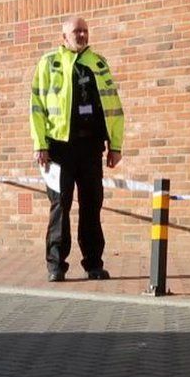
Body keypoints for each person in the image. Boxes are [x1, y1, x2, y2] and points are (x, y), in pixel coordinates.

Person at [29, 16, 125, 282]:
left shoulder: (99, 63)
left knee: (92, 205)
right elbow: (36, 107)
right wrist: (40, 144)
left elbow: (114, 107)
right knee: (60, 205)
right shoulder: (49, 63)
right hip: (58, 149)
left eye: (84, 31)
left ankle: (94, 263)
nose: (81, 35)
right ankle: (56, 265)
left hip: (91, 147)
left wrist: (115, 145)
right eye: (76, 31)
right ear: (64, 37)